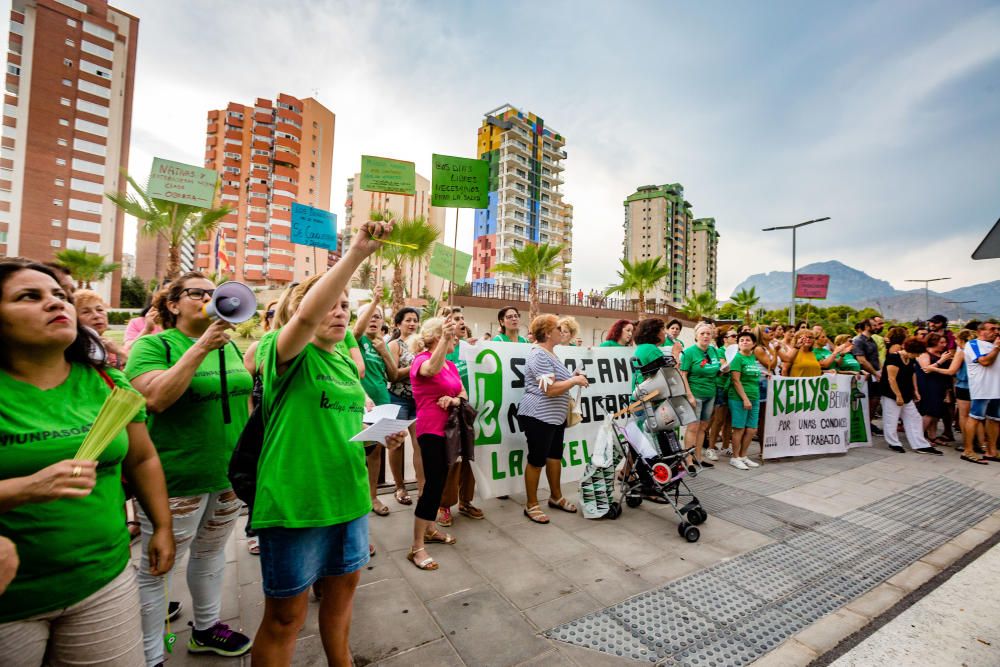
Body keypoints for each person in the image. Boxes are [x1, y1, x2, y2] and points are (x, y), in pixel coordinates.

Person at [0, 261, 174, 665]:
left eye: (59, 296)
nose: (54, 303)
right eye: (30, 296)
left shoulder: (106, 380)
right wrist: (24, 489)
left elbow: (143, 457)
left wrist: (162, 527)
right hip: (12, 601)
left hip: (103, 581)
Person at [249, 218, 405, 665]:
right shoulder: (283, 351)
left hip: (349, 497)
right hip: (296, 503)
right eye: (331, 306)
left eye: (345, 306)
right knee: (285, 618)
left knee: (341, 602)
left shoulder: (342, 362)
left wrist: (382, 436)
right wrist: (356, 254)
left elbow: (351, 421)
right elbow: (304, 317)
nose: (340, 312)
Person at [125, 272, 255, 663]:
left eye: (215, 293)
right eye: (199, 293)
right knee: (158, 568)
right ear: (173, 303)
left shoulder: (228, 347)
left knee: (212, 555)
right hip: (175, 479)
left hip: (225, 476)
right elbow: (155, 399)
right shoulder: (153, 345)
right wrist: (199, 346)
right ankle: (150, 656)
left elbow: (243, 399)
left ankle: (206, 627)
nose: (211, 298)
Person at [518, 314, 588, 524]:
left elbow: (555, 382)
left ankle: (555, 496)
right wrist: (574, 380)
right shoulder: (539, 355)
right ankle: (531, 504)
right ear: (548, 333)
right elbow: (548, 389)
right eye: (558, 328)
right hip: (539, 415)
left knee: (555, 456)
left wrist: (571, 377)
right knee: (536, 460)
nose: (562, 331)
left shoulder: (550, 353)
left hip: (554, 417)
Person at [408, 317, 465, 569]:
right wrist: (444, 336)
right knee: (432, 486)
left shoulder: (451, 366)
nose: (455, 339)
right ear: (435, 336)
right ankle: (416, 547)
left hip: (449, 432)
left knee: (439, 483)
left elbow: (463, 394)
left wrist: (453, 401)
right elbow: (430, 369)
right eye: (449, 336)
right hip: (431, 431)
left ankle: (430, 530)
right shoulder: (421, 360)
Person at [353, 297, 402, 518]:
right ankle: (356, 500)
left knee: (375, 452)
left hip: (382, 403)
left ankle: (372, 496)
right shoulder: (355, 340)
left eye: (378, 317)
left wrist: (384, 351)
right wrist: (374, 303)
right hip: (358, 404)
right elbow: (355, 331)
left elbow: (393, 374)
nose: (373, 320)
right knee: (354, 453)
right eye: (369, 316)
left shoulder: (383, 343)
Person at [437, 306, 485, 526]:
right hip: (447, 412)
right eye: (456, 319)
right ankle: (444, 505)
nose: (461, 322)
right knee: (452, 461)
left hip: (469, 410)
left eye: (463, 318)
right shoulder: (443, 349)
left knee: (469, 458)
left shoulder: (470, 347)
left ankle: (466, 501)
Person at [878, 337, 942, 455]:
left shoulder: (911, 359)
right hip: (890, 393)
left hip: (906, 392)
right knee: (891, 418)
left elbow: (912, 374)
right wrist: (898, 396)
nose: (917, 356)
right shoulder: (893, 358)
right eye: (916, 354)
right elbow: (891, 379)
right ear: (910, 351)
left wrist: (915, 391)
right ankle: (894, 443)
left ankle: (920, 444)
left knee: (915, 417)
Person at [934, 329, 984, 463]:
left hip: (964, 386)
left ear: (961, 340)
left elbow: (951, 371)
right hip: (979, 386)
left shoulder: (962, 352)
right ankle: (981, 444)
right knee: (977, 416)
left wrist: (934, 368)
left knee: (964, 416)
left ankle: (967, 443)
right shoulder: (980, 350)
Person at [388, 306, 421, 505]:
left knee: (420, 444)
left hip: (419, 400)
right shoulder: (394, 345)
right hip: (398, 399)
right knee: (396, 444)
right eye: (408, 320)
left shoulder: (421, 344)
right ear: (398, 324)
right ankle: (399, 487)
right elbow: (393, 375)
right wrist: (415, 367)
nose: (412, 323)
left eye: (415, 320)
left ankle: (422, 485)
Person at [679, 322, 724, 467]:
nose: (705, 336)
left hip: (710, 393)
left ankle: (698, 457)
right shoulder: (689, 352)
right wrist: (689, 395)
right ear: (696, 336)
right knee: (693, 427)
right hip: (695, 393)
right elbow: (683, 374)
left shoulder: (713, 350)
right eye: (702, 333)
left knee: (703, 427)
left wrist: (723, 370)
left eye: (708, 333)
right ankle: (688, 459)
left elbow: (716, 369)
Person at [963, 321, 1000, 462]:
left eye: (998, 329)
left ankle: (992, 451)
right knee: (975, 418)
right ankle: (968, 450)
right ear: (980, 332)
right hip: (982, 388)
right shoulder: (973, 344)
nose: (996, 331)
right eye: (992, 329)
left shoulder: (995, 345)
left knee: (995, 420)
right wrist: (996, 349)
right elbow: (984, 361)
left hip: (996, 388)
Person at [727, 332, 762, 470]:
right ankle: (735, 457)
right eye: (741, 340)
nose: (744, 342)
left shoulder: (753, 357)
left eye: (748, 340)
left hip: (755, 396)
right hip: (739, 398)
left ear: (753, 344)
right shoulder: (737, 358)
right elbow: (736, 380)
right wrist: (745, 399)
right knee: (739, 428)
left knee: (752, 429)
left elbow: (753, 374)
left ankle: (743, 456)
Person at [73, 289, 129, 368]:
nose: (97, 316)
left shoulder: (110, 346)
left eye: (100, 310)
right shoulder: (75, 350)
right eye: (86, 312)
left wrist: (119, 352)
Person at [916, 333, 953, 445]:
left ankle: (933, 436)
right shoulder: (924, 353)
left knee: (936, 413)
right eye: (941, 342)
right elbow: (926, 369)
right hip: (928, 386)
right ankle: (919, 436)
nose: (944, 345)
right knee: (929, 411)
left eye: (945, 342)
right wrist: (941, 361)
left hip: (940, 386)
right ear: (933, 342)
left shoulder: (942, 354)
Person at [778, 329, 848, 377]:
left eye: (810, 337)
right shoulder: (794, 352)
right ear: (797, 339)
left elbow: (814, 370)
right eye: (804, 337)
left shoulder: (812, 353)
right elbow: (784, 370)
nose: (808, 339)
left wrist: (827, 372)